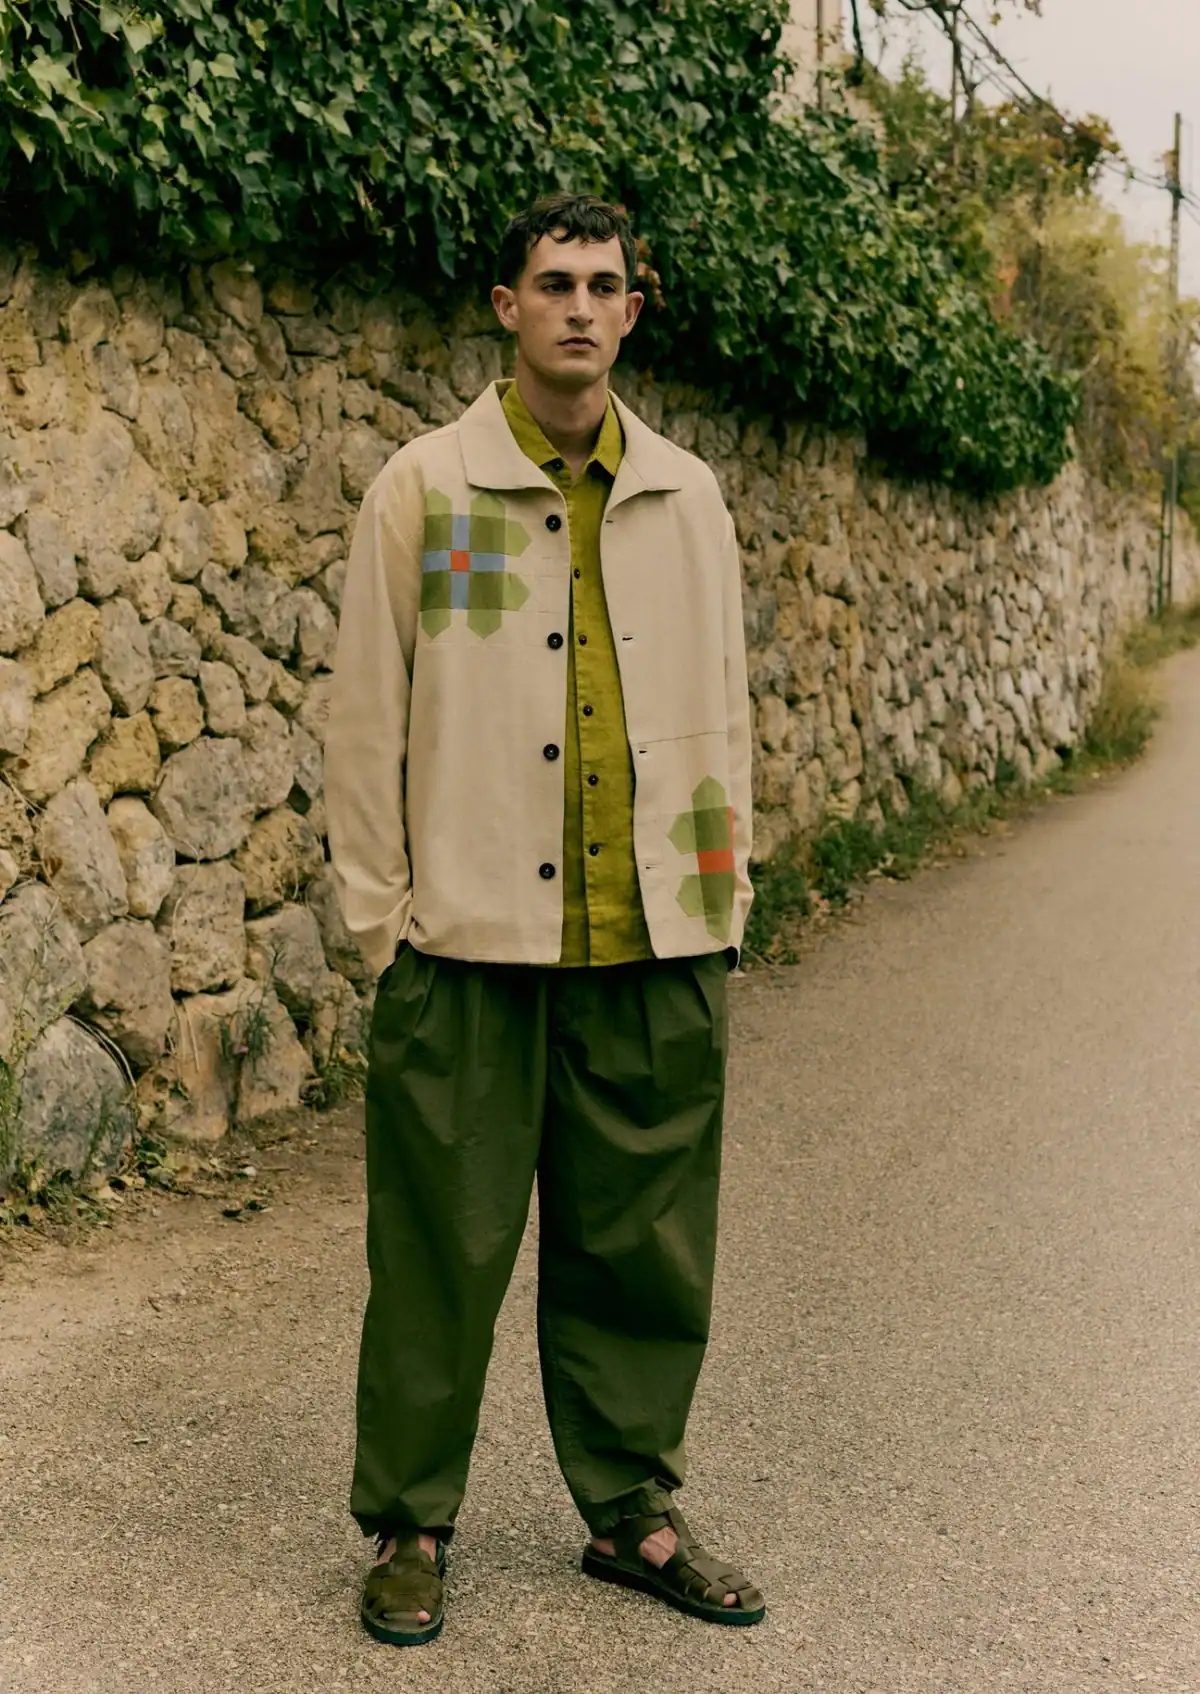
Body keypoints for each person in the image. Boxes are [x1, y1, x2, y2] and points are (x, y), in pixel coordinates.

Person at [325, 191, 763, 1648]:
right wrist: (379, 922)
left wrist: (722, 891)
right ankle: (412, 1520)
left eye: (605, 284)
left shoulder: (687, 498)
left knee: (646, 1242)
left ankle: (633, 1508)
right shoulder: (427, 491)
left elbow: (726, 709)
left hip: (654, 935)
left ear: (635, 311)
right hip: (460, 943)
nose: (580, 305)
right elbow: (363, 721)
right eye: (553, 282)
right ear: (506, 308)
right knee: (438, 1250)